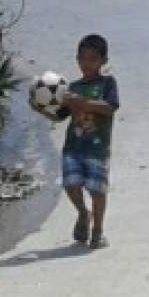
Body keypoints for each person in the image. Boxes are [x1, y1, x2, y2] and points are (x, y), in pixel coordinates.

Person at [57, 34, 119, 249]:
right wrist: (40, 105)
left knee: (96, 190)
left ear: (103, 61)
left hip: (97, 148)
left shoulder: (107, 84)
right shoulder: (72, 87)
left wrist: (83, 103)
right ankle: (83, 213)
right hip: (73, 147)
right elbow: (59, 115)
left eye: (93, 58)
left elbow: (110, 108)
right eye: (82, 58)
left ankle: (98, 231)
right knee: (70, 184)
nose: (87, 63)